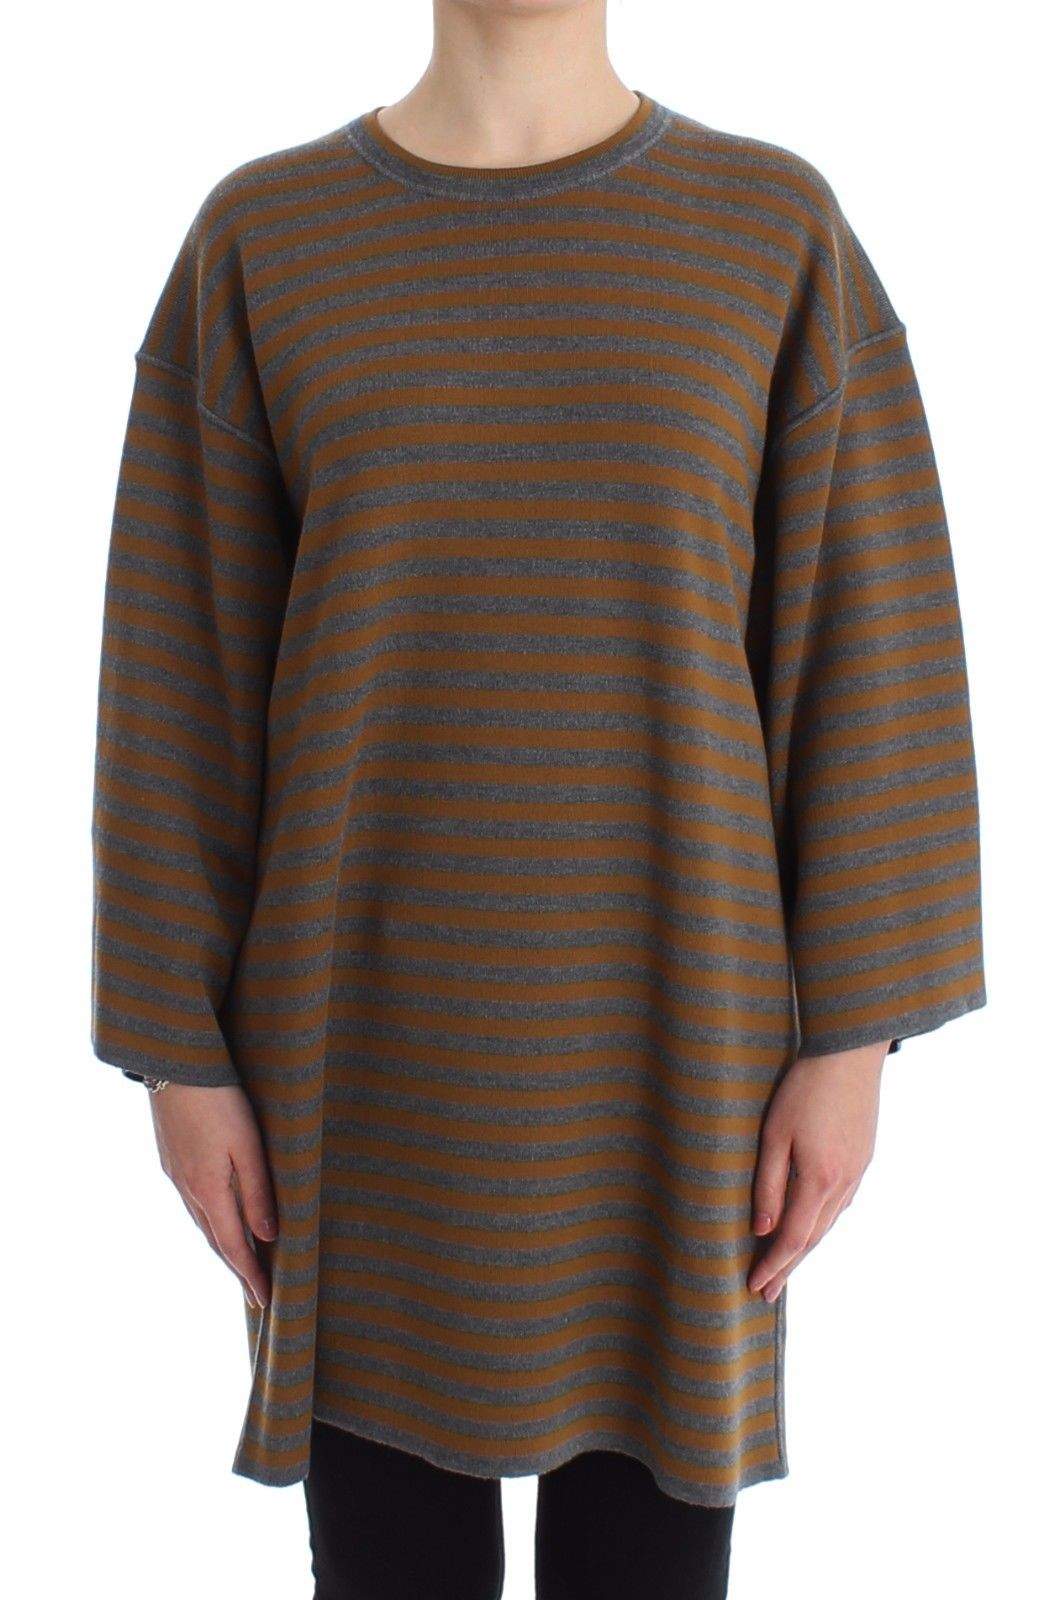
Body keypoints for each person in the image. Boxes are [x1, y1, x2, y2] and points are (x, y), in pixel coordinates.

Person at [90, 1, 986, 1595]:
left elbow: (871, 647)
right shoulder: (262, 241)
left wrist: (851, 1040)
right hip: (354, 1078)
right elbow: (179, 682)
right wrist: (179, 1053)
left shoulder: (774, 229)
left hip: (685, 1065)